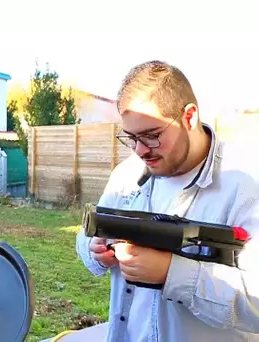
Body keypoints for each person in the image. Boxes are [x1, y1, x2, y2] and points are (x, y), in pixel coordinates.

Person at [75, 60, 259, 342]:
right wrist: (95, 247)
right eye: (132, 137)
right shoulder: (126, 175)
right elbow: (86, 236)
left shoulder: (247, 185)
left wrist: (172, 273)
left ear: (189, 116)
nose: (140, 150)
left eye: (152, 136)